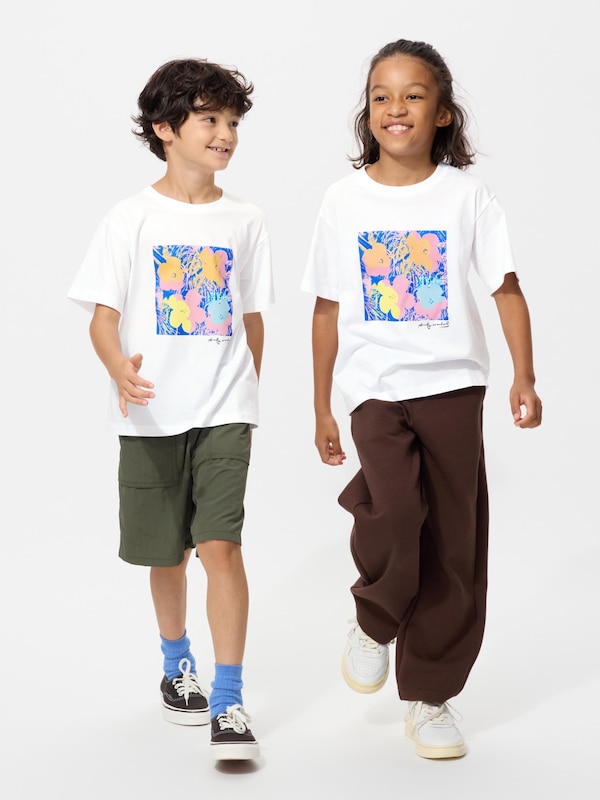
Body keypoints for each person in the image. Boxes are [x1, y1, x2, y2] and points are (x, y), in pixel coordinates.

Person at [301, 39, 542, 759]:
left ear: (442, 113)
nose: (395, 107)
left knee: (453, 544)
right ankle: (375, 617)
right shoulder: (343, 199)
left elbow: (506, 289)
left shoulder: (466, 196)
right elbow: (325, 309)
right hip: (374, 388)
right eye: (381, 95)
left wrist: (524, 376)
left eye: (413, 95)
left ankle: (430, 697)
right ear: (367, 111)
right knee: (398, 510)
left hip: (453, 386)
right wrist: (321, 405)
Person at [68, 58, 274, 761]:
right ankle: (176, 662)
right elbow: (103, 318)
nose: (226, 134)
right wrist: (118, 369)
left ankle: (229, 698)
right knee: (170, 551)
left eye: (233, 121)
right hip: (152, 413)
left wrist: (246, 390)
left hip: (225, 410)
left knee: (221, 545)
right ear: (165, 128)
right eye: (210, 119)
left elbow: (252, 317)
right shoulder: (130, 218)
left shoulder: (245, 219)